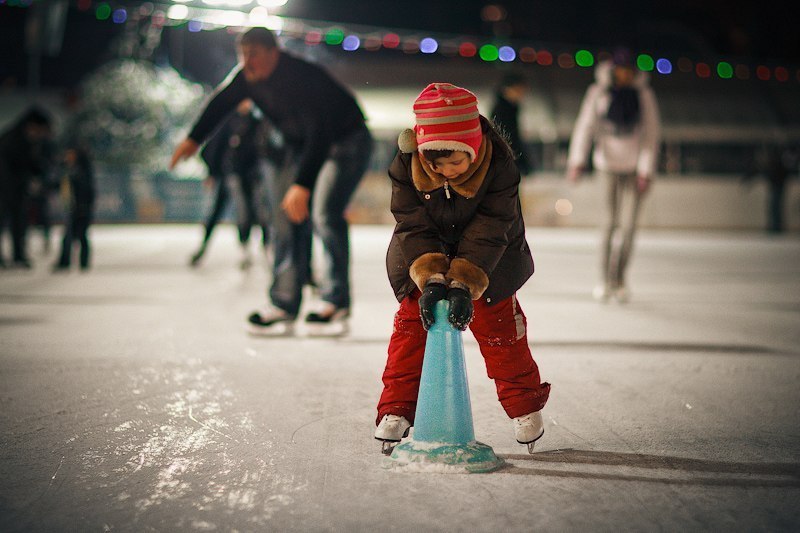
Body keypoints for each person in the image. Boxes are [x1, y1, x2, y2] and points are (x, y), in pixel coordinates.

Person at [373, 83, 551, 452]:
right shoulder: (406, 164)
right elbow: (411, 223)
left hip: (493, 260)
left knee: (501, 329)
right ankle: (396, 409)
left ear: (473, 147)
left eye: (456, 162)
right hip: (421, 252)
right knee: (411, 324)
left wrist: (465, 281)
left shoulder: (500, 166)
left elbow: (492, 227)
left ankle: (524, 406)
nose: (448, 172)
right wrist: (430, 276)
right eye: (436, 165)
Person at [170, 27, 373, 336]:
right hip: (300, 147)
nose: (247, 62)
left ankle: (335, 300)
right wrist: (193, 139)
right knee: (284, 218)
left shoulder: (300, 77)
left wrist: (302, 185)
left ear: (273, 53)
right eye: (243, 55)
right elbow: (220, 103)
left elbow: (320, 132)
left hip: (345, 141)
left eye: (253, 55)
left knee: (323, 213)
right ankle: (284, 302)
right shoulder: (247, 77)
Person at [566, 48, 661, 303]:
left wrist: (646, 170)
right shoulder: (598, 93)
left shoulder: (644, 95)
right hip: (607, 164)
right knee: (609, 224)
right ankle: (605, 280)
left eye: (630, 70)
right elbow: (585, 127)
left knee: (629, 226)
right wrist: (577, 160)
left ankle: (620, 279)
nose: (625, 74)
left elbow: (651, 134)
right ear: (612, 70)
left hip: (634, 168)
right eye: (621, 70)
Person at [190, 99, 272, 269]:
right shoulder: (228, 122)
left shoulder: (256, 123)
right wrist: (212, 173)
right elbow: (213, 148)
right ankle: (204, 248)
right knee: (224, 211)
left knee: (256, 211)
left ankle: (257, 249)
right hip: (230, 174)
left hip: (250, 176)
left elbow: (263, 150)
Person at [0, 107, 53, 268]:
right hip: (5, 189)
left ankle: (18, 255)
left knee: (19, 222)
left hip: (17, 189)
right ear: (32, 125)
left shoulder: (27, 139)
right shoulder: (11, 140)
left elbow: (30, 164)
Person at [53, 146, 95, 271]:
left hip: (81, 208)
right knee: (68, 236)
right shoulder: (68, 170)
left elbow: (88, 191)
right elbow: (59, 184)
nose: (68, 157)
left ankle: (83, 262)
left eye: (70, 154)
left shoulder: (82, 171)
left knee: (81, 236)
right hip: (71, 207)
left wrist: (84, 206)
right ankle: (65, 261)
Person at [490, 72, 534, 176]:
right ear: (508, 89)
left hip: (508, 158)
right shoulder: (502, 109)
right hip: (505, 159)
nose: (521, 95)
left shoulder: (511, 108)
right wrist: (522, 161)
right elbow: (508, 137)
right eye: (519, 90)